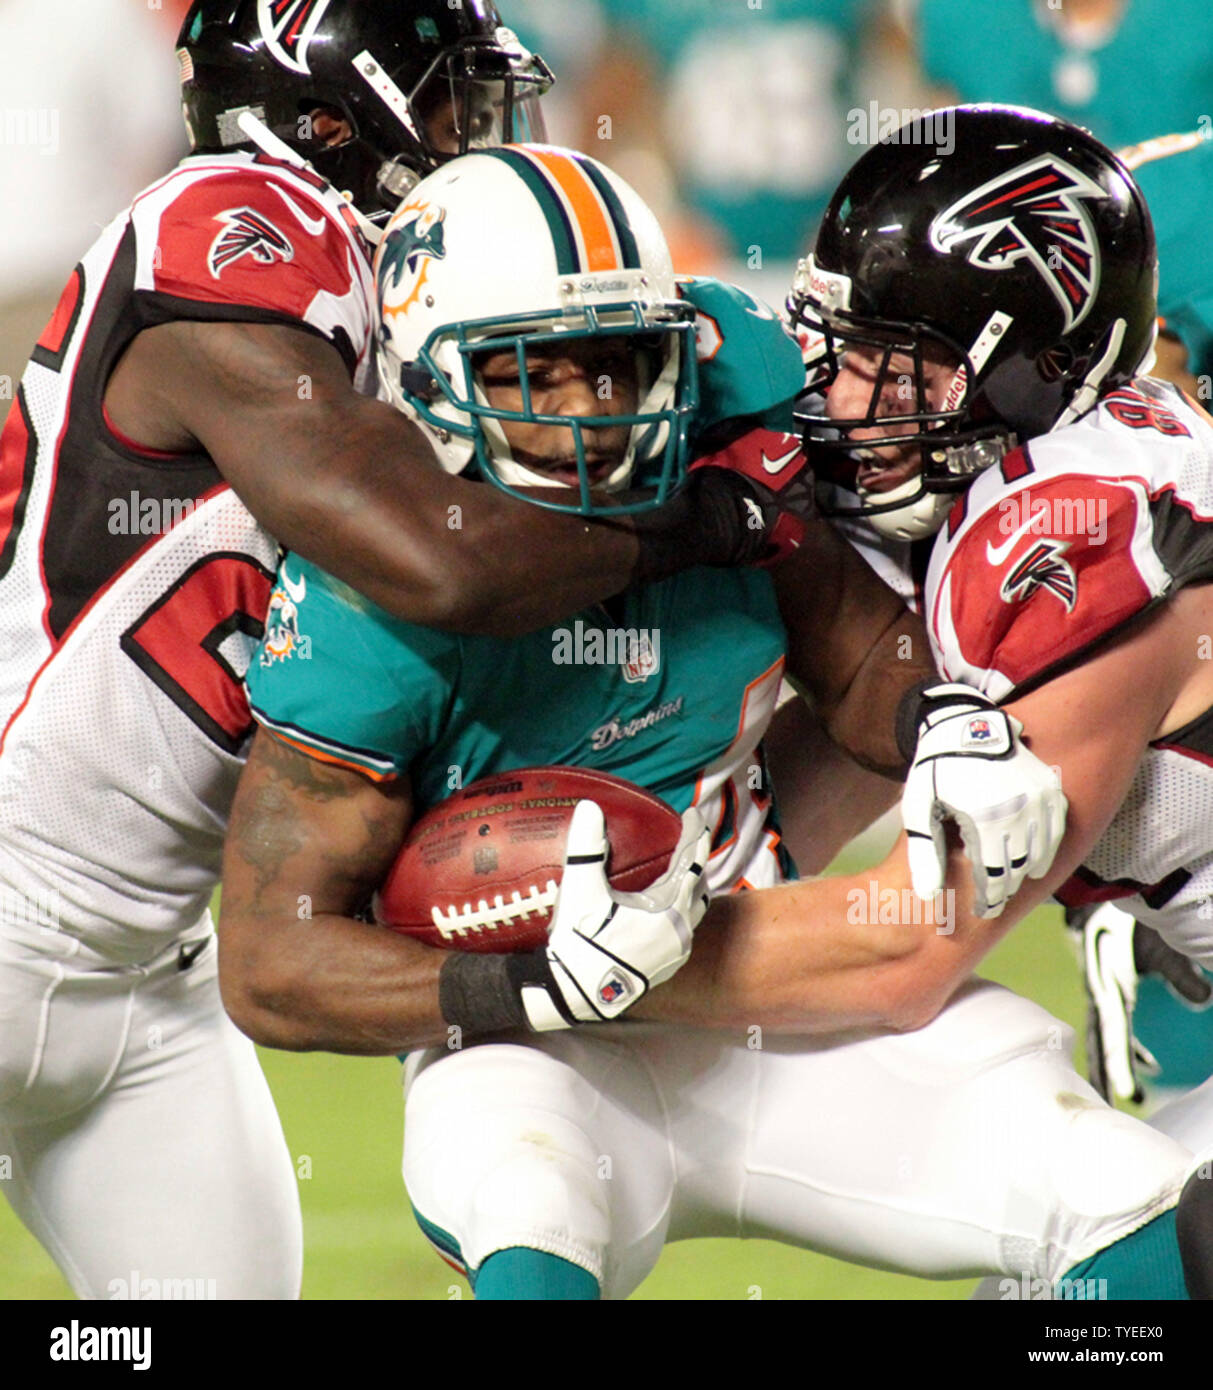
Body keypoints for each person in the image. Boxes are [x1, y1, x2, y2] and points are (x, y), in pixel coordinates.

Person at [223, 141, 1210, 1302]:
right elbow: (270, 960)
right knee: (527, 1204)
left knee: (1118, 1229)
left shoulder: (757, 437)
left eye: (621, 362)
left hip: (763, 997)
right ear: (431, 382)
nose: (596, 408)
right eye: (531, 374)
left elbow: (861, 681)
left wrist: (937, 719)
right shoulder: (367, 613)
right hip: (530, 1044)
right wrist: (527, 977)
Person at [0, 0, 817, 1302]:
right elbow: (437, 557)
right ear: (331, 110)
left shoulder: (406, 286)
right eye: (450, 103)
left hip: (150, 972)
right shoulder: (228, 217)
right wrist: (717, 513)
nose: (478, 139)